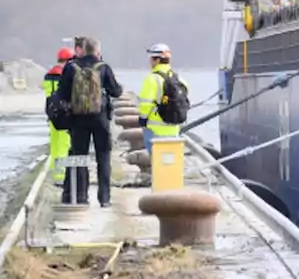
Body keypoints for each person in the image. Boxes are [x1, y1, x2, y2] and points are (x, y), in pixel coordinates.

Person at [55, 37, 123, 207]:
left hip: (78, 119)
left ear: (82, 50)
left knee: (80, 157)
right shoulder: (103, 67)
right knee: (103, 157)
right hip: (100, 119)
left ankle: (81, 196)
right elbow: (116, 92)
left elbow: (61, 94)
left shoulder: (71, 67)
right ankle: (105, 198)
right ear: (97, 51)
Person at [137, 43, 190, 155]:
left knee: (157, 162)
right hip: (174, 128)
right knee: (170, 162)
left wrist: (142, 119)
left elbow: (146, 104)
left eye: (151, 59)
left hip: (155, 130)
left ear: (156, 60)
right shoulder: (179, 78)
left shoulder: (152, 79)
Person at [42, 47, 74, 184]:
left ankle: (53, 173)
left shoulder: (48, 76)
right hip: (64, 115)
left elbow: (48, 94)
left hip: (51, 113)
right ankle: (61, 177)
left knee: (54, 145)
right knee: (64, 145)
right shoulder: (66, 75)